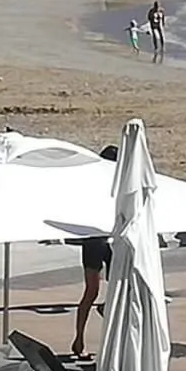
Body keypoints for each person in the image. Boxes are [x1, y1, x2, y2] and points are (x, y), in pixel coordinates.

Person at [71, 145, 118, 357]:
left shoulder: (115, 182)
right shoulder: (96, 182)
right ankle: (79, 339)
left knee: (121, 283)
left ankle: (84, 336)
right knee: (91, 291)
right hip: (94, 239)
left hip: (106, 238)